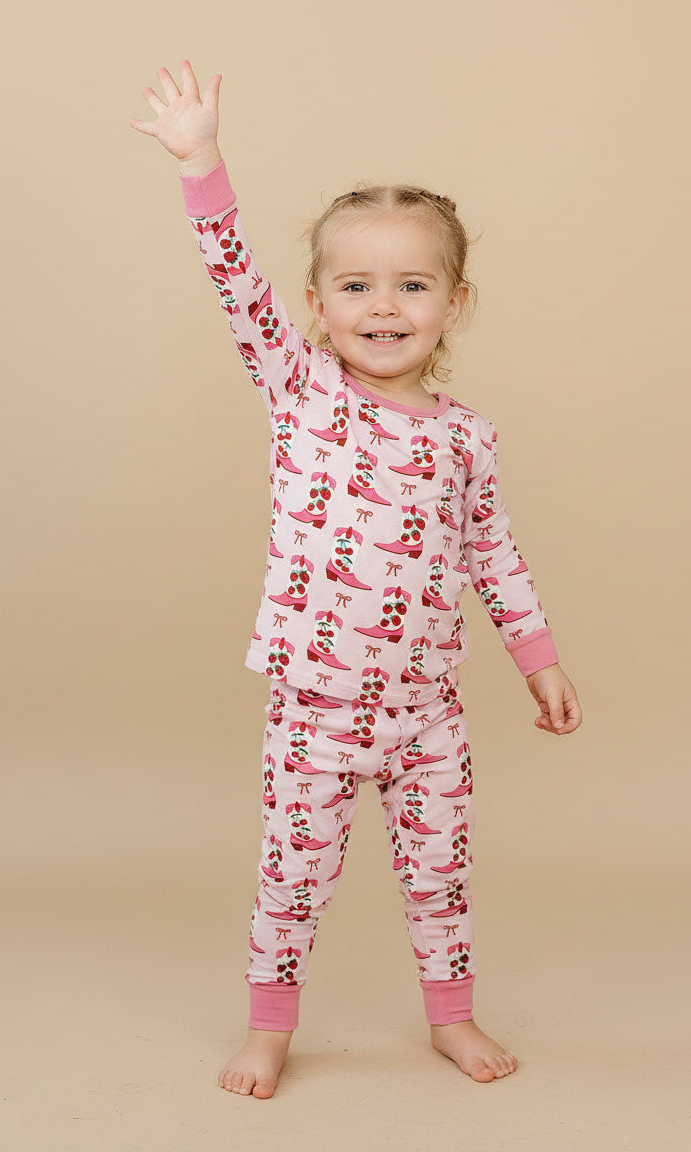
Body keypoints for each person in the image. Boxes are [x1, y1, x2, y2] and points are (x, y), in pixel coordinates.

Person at [130, 61, 582, 1099]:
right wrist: (201, 164)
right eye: (356, 285)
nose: (384, 307)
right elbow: (232, 279)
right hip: (315, 706)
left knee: (440, 876)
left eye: (412, 285)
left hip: (427, 709)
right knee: (292, 880)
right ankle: (268, 1032)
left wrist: (537, 660)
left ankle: (453, 1018)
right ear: (317, 305)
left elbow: (493, 556)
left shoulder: (466, 439)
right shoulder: (301, 392)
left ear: (454, 303)